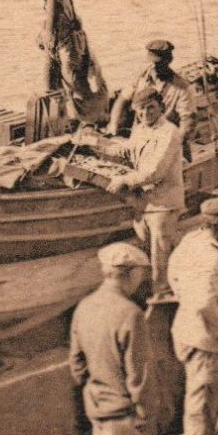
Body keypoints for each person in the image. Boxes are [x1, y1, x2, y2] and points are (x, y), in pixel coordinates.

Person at [70, 243, 154, 435]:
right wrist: (144, 419)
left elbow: (77, 366)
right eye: (140, 275)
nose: (141, 281)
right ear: (128, 274)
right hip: (125, 415)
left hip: (97, 412)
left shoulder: (84, 308)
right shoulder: (130, 314)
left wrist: (96, 391)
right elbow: (138, 378)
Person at [85, 90, 185, 292]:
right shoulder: (140, 129)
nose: (146, 112)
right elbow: (126, 150)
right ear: (136, 111)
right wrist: (96, 142)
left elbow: (156, 171)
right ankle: (150, 294)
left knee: (160, 260)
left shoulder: (170, 132)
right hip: (144, 204)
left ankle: (162, 300)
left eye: (151, 107)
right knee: (146, 256)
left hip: (163, 206)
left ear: (161, 108)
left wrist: (124, 179)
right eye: (141, 109)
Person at [166, 197, 218, 435]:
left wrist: (183, 295)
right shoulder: (210, 257)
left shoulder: (190, 242)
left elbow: (172, 273)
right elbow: (204, 302)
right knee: (204, 400)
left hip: (186, 330)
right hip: (205, 339)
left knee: (203, 397)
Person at [107, 38, 205, 134]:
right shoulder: (141, 77)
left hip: (167, 134)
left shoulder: (182, 87)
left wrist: (176, 142)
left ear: (168, 61)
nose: (154, 67)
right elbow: (122, 99)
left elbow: (188, 121)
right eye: (151, 62)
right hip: (141, 131)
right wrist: (113, 125)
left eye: (158, 64)